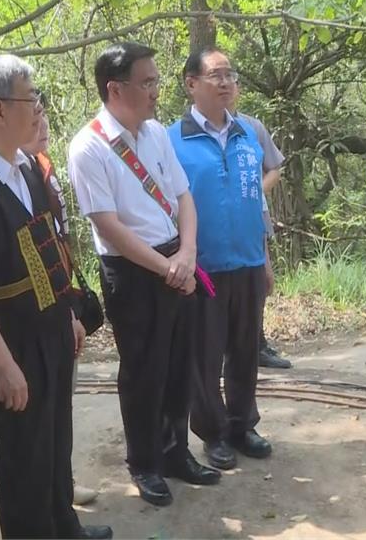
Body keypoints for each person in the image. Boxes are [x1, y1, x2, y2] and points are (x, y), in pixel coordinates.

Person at [0, 55, 111, 540]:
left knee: (54, 445)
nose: (38, 109)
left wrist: (67, 313)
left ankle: (64, 528)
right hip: (11, 340)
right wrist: (3, 365)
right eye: (29, 99)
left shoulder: (25, 166)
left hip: (49, 328)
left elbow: (46, 246)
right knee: (25, 460)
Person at [67, 42, 220, 507]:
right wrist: (167, 268)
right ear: (116, 89)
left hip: (177, 258)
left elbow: (183, 196)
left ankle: (177, 453)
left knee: (180, 362)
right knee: (143, 370)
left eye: (156, 80)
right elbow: (108, 226)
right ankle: (146, 462)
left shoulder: (155, 133)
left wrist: (188, 253)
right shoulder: (88, 145)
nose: (156, 91)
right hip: (132, 272)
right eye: (147, 82)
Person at [168, 47, 273, 471]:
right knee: (205, 354)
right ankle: (212, 434)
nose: (227, 82)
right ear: (192, 84)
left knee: (246, 350)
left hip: (248, 260)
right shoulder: (172, 139)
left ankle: (242, 424)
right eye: (216, 75)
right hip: (204, 266)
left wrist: (265, 258)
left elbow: (257, 202)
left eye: (231, 74)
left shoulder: (248, 133)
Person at [20, 92, 100, 508]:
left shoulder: (42, 169)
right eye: (33, 114)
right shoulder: (9, 179)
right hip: (34, 316)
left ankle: (62, 486)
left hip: (61, 295)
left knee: (60, 406)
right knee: (40, 415)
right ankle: (52, 497)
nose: (43, 122)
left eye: (44, 113)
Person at [230, 87, 291, 369]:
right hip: (217, 216)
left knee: (258, 278)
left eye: (230, 82)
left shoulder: (253, 127)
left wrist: (255, 192)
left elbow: (275, 168)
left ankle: (257, 344)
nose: (226, 88)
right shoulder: (190, 132)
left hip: (254, 213)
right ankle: (224, 348)